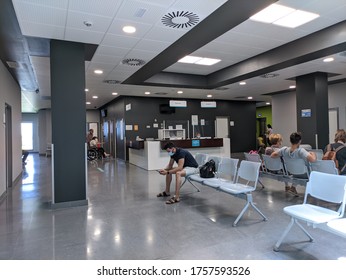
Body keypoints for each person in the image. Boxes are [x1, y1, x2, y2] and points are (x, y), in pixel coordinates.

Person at [271, 132, 316, 196]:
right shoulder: (301, 151)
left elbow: (272, 155)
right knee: (312, 171)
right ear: (300, 141)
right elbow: (313, 160)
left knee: (297, 170)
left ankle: (293, 187)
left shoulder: (284, 150)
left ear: (290, 141)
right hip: (303, 174)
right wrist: (313, 154)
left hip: (292, 172)